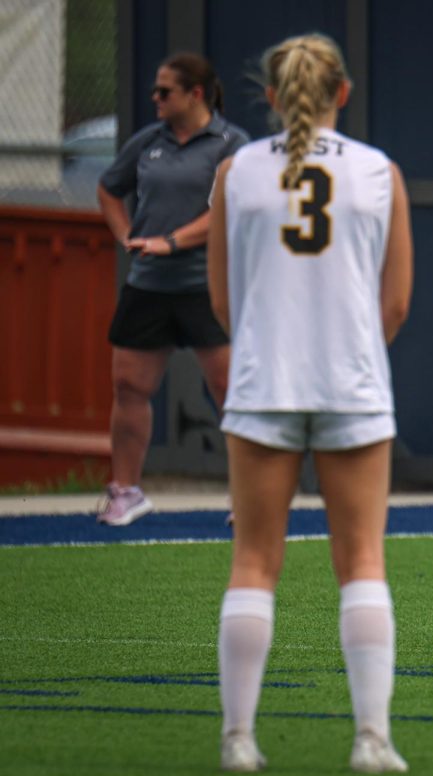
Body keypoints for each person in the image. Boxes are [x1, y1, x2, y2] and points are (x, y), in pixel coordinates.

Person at [207, 33, 414, 773]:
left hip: (264, 383)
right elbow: (394, 306)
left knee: (253, 564)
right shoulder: (378, 172)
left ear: (270, 96)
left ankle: (238, 740)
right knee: (361, 561)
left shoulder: (235, 173)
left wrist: (272, 347)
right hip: (352, 384)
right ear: (343, 94)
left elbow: (223, 302)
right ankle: (371, 740)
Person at [96, 53, 249, 525]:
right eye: (155, 91)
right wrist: (127, 237)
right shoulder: (148, 142)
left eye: (165, 91)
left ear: (195, 94)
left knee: (230, 391)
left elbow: (228, 208)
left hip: (207, 286)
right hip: (148, 286)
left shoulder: (232, 144)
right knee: (128, 386)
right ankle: (126, 492)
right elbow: (108, 188)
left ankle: (247, 497)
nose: (155, 99)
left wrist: (170, 242)